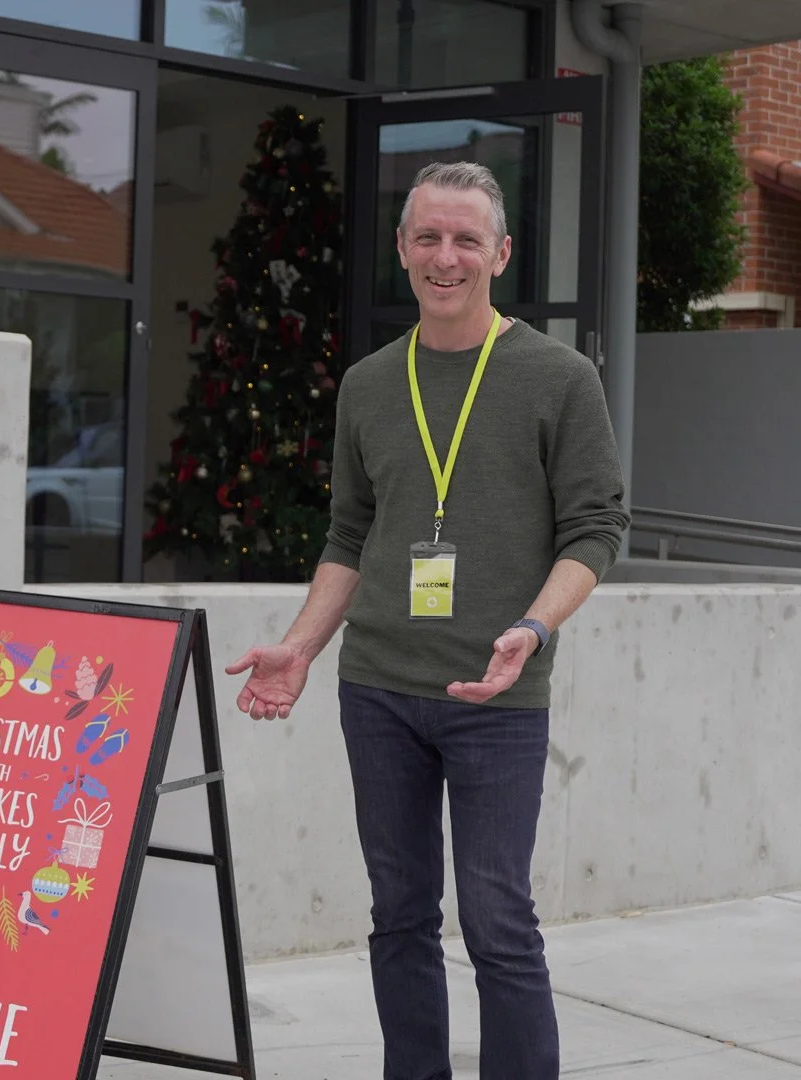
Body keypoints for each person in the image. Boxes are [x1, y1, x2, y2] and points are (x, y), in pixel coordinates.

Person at [227, 161, 629, 1080]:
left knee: (497, 923)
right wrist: (299, 646)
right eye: (427, 238)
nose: (445, 257)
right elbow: (350, 535)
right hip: (377, 689)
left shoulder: (557, 378)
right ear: (404, 249)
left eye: (466, 239)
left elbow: (598, 528)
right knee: (398, 915)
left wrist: (533, 627)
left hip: (497, 693)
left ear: (501, 253)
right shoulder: (370, 384)